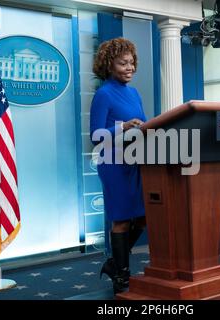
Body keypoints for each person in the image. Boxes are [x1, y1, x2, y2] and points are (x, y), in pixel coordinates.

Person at [89, 38, 147, 294]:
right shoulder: (103, 93)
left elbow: (143, 124)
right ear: (109, 65)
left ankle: (113, 263)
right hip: (113, 163)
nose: (129, 67)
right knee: (122, 218)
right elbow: (95, 135)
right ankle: (122, 276)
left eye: (132, 62)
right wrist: (123, 126)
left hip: (135, 161)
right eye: (123, 63)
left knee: (144, 218)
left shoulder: (134, 93)